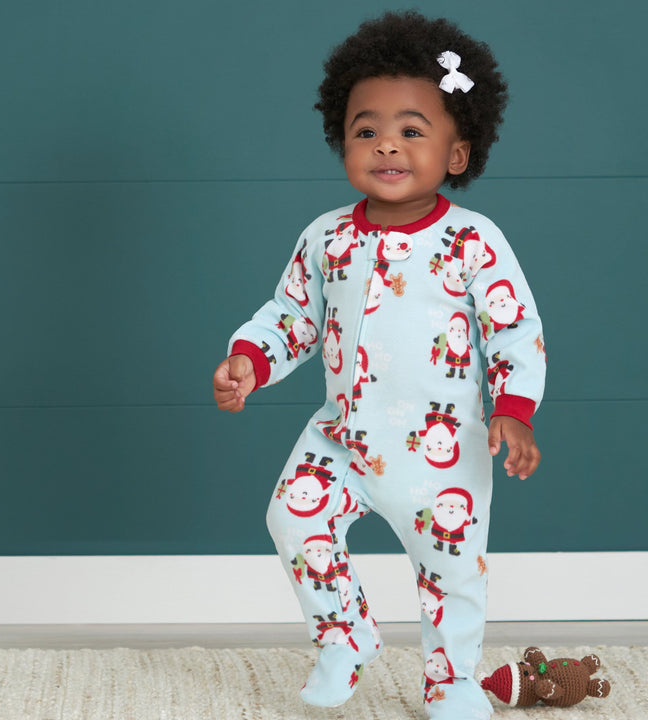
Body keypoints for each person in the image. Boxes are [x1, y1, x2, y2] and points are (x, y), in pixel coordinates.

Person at [212, 10, 546, 719]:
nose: (386, 144)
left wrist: (515, 410)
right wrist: (250, 358)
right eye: (366, 131)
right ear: (343, 140)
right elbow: (294, 316)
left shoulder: (473, 241)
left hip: (442, 450)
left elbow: (514, 329)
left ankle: (452, 684)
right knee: (291, 520)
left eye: (412, 131)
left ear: (457, 154)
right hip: (341, 436)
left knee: (451, 577)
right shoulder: (326, 237)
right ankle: (346, 636)